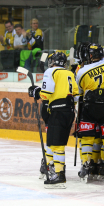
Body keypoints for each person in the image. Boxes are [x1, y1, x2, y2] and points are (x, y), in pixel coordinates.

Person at [28, 52, 79, 188]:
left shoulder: (50, 71)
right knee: (57, 144)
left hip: (57, 111)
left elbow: (46, 93)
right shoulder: (69, 73)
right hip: (69, 112)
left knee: (55, 145)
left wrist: (36, 92)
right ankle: (57, 172)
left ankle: (59, 175)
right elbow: (76, 95)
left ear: (52, 61)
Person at [75, 43, 104, 183]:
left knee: (87, 137)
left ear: (90, 55)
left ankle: (86, 166)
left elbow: (79, 92)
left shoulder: (82, 71)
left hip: (90, 106)